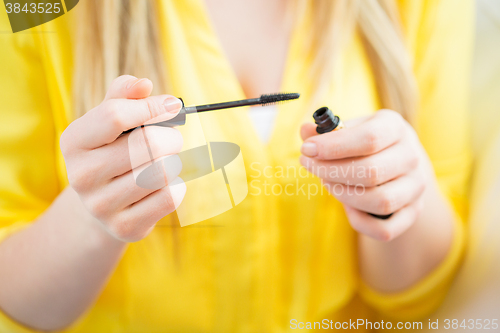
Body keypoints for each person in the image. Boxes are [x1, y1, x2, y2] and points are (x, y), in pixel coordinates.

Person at [0, 0, 473, 332]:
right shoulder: (32, 13)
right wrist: (92, 215)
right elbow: (16, 302)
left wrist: (396, 194)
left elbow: (425, 297)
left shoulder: (423, 7)